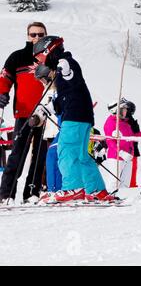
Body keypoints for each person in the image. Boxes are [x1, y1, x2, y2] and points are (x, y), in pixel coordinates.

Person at [32, 36, 114, 203]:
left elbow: (70, 76)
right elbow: (64, 98)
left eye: (40, 57)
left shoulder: (66, 63)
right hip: (82, 116)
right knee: (82, 156)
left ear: (49, 51)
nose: (41, 61)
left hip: (75, 116)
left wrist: (65, 68)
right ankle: (97, 190)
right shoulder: (62, 70)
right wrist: (44, 110)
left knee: (66, 150)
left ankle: (73, 188)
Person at [0, 22, 48, 205]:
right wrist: (2, 94)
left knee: (39, 157)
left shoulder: (50, 58)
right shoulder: (18, 57)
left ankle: (31, 193)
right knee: (17, 155)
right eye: (33, 34)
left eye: (40, 34)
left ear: (45, 35)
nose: (36, 38)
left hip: (45, 114)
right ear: (28, 36)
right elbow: (4, 78)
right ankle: (6, 195)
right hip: (24, 113)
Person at [103, 98, 141, 192]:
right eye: (123, 109)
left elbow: (131, 136)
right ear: (116, 110)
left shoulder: (124, 122)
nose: (126, 111)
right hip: (116, 157)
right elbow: (110, 141)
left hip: (128, 157)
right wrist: (121, 152)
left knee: (125, 183)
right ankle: (110, 196)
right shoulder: (111, 123)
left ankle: (122, 198)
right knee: (114, 181)